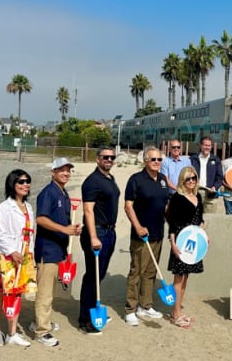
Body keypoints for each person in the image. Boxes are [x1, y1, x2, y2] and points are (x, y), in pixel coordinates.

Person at [32, 158, 82, 347]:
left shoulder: (63, 193)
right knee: (45, 292)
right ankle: (42, 331)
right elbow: (41, 219)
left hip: (58, 249)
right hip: (47, 249)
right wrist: (64, 230)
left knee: (49, 290)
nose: (66, 173)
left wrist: (72, 229)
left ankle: (39, 321)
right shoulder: (48, 193)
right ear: (53, 172)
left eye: (68, 170)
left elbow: (62, 221)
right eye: (61, 170)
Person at [0, 169, 37, 347]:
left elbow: (30, 234)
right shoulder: (4, 208)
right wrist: (11, 251)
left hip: (24, 256)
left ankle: (12, 332)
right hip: (6, 257)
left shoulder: (28, 207)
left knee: (16, 293)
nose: (26, 185)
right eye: (21, 182)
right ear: (13, 184)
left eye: (28, 181)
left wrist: (29, 254)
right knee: (0, 293)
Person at [124, 146, 170, 326]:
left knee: (151, 272)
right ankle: (130, 309)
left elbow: (165, 205)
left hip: (158, 233)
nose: (157, 163)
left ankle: (146, 305)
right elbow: (128, 206)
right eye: (153, 160)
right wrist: (138, 226)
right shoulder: (136, 180)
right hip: (141, 236)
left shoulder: (163, 179)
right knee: (137, 271)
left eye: (159, 160)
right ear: (145, 161)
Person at [77, 147, 120, 334]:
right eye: (105, 157)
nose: (109, 160)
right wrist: (94, 236)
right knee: (92, 277)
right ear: (97, 159)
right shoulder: (92, 182)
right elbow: (88, 210)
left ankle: (94, 310)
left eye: (111, 157)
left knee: (99, 275)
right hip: (98, 233)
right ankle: (86, 319)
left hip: (110, 231)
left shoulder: (110, 179)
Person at [166, 166, 206, 328]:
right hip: (181, 243)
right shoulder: (177, 198)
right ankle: (175, 314)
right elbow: (172, 223)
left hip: (194, 243)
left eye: (194, 178)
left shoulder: (198, 196)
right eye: (188, 178)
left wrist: (204, 235)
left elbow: (200, 219)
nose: (191, 181)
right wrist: (173, 244)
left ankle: (178, 311)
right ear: (182, 180)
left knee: (186, 278)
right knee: (178, 278)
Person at [190, 136, 224, 208]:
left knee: (210, 218)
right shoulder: (193, 159)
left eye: (209, 145)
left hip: (210, 194)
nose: (207, 147)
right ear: (201, 145)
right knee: (195, 218)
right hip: (195, 193)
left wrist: (215, 187)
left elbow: (219, 177)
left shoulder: (216, 159)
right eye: (205, 145)